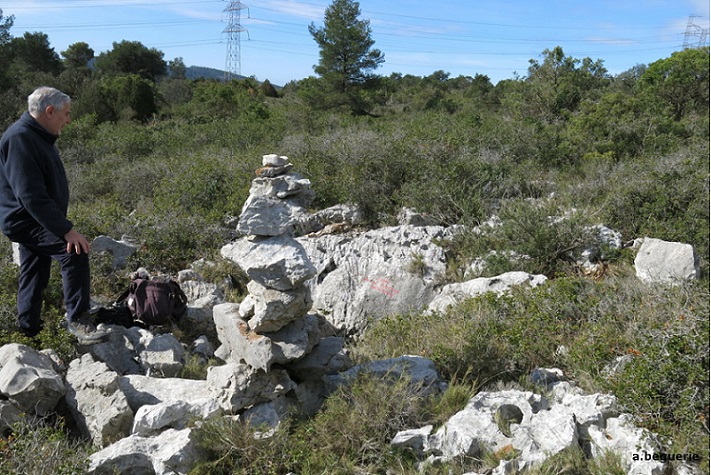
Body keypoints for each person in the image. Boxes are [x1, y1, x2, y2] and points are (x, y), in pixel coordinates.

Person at [0, 86, 108, 343]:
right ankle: (79, 322)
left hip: (30, 218)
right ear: (49, 111)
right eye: (66, 114)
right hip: (26, 219)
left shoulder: (36, 135)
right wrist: (66, 230)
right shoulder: (21, 138)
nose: (68, 120)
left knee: (35, 271)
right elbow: (30, 196)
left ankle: (29, 330)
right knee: (75, 251)